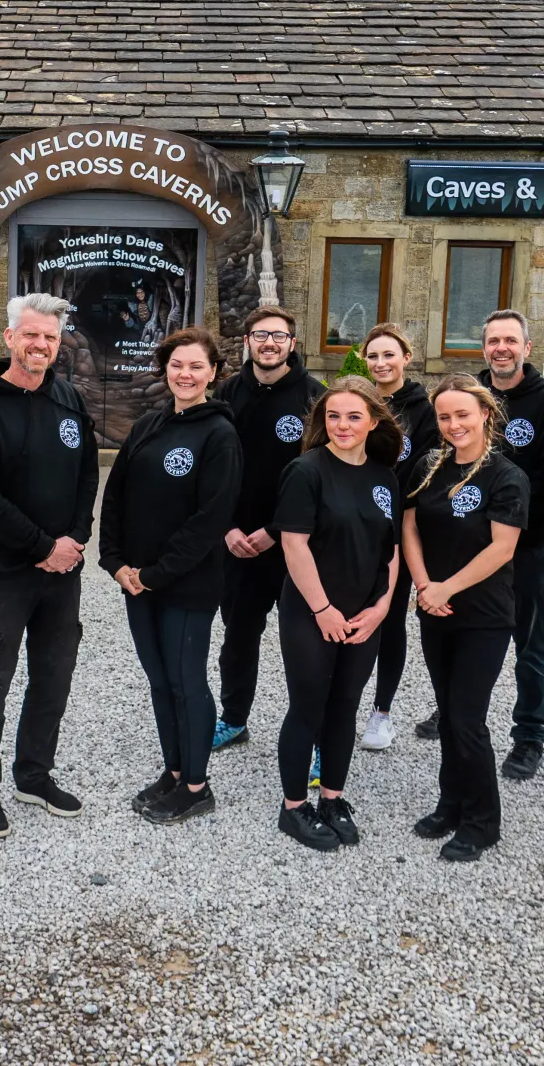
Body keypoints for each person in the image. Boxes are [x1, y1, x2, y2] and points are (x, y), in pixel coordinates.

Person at [0, 293, 100, 840]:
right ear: (11, 337)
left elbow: (88, 475)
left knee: (53, 679)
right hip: (6, 572)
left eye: (51, 337)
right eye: (32, 335)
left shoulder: (68, 398)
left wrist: (76, 539)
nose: (41, 345)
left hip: (63, 574)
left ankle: (33, 776)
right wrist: (43, 547)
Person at [100, 326, 241, 826]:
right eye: (177, 365)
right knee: (160, 682)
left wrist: (157, 574)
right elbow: (115, 494)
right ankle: (175, 770)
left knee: (186, 681)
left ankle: (197, 787)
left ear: (213, 373)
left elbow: (210, 519)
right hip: (137, 581)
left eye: (196, 366)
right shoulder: (148, 425)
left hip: (185, 584)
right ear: (165, 370)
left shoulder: (220, 435)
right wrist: (115, 562)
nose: (185, 374)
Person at [271, 377, 404, 852]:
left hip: (364, 615)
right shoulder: (306, 471)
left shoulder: (385, 477)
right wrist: (323, 609)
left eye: (353, 416)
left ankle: (331, 797)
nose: (342, 425)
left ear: (373, 422)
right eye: (333, 416)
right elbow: (294, 545)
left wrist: (382, 607)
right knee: (308, 705)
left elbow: (391, 549)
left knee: (345, 705)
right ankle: (293, 807)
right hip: (312, 612)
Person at [401, 373, 528, 863]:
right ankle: (450, 804)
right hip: (435, 610)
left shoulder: (506, 476)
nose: (454, 424)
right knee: (449, 714)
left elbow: (502, 548)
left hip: (483, 616)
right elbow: (410, 527)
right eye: (444, 416)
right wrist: (423, 587)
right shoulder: (429, 466)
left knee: (466, 718)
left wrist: (445, 588)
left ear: (485, 415)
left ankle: (482, 821)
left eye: (463, 414)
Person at [213, 305, 326, 754]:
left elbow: (323, 477)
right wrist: (227, 527)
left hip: (296, 544)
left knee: (306, 643)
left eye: (279, 336)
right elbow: (212, 469)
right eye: (260, 335)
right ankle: (233, 719)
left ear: (292, 344)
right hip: (238, 544)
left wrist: (275, 531)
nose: (269, 344)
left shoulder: (316, 399)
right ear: (247, 342)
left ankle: (315, 734)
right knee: (238, 638)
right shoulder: (226, 394)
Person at [476, 310, 544, 782]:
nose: (502, 348)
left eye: (510, 340)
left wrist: (507, 522)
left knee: (531, 644)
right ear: (484, 349)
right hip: (468, 547)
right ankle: (458, 712)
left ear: (527, 348)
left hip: (525, 546)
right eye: (494, 340)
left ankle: (530, 733)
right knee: (465, 637)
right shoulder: (469, 394)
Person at [359, 322, 439, 749]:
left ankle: (382, 713)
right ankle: (338, 706)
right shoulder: (358, 402)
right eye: (373, 356)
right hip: (353, 527)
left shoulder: (424, 410)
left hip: (398, 527)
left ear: (406, 358)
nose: (381, 363)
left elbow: (425, 473)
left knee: (389, 619)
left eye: (389, 354)